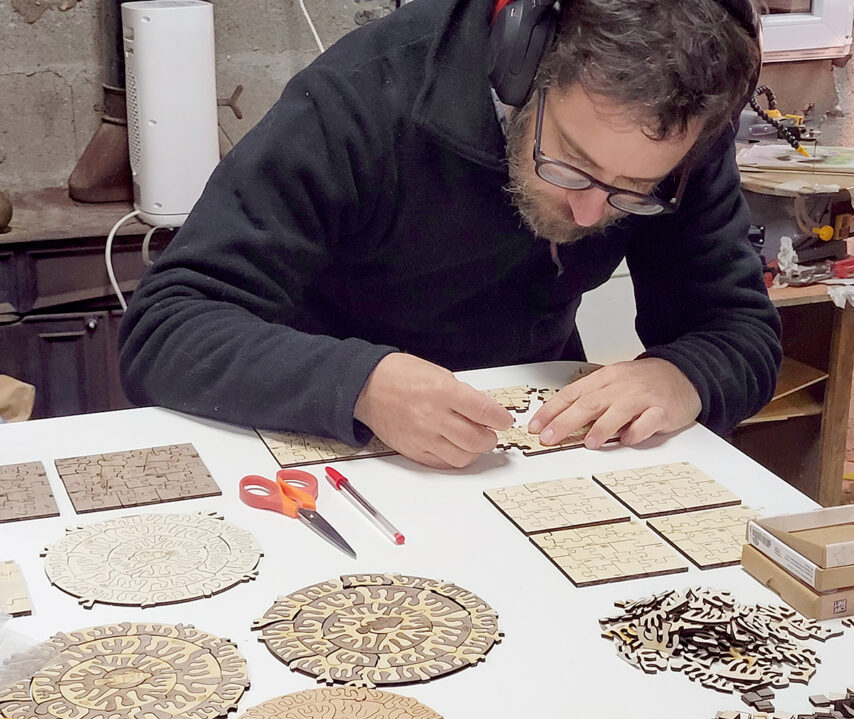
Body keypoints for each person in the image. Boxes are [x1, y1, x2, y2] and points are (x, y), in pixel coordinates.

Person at [118, 0, 782, 470]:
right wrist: (360, 384)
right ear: (523, 65)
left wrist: (682, 376)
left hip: (523, 444)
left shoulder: (674, 137)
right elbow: (167, 327)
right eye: (571, 166)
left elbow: (737, 328)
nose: (588, 216)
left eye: (629, 192)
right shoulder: (361, 101)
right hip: (323, 437)